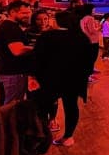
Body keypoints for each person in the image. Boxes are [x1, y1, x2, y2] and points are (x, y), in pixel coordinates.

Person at [33, 11, 92, 147]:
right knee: (71, 107)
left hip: (50, 80)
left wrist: (34, 77)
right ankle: (68, 137)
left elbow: (37, 60)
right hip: (73, 80)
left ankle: (42, 141)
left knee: (42, 108)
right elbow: (88, 62)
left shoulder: (47, 36)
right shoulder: (82, 37)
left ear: (57, 21)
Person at [0, 0, 35, 104]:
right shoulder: (10, 28)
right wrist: (37, 48)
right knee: (12, 105)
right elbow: (17, 50)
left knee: (11, 103)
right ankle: (7, 120)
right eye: (24, 13)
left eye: (29, 12)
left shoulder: (11, 26)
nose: (28, 15)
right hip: (13, 73)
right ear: (12, 12)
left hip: (11, 72)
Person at [78, 4, 101, 76]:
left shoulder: (83, 18)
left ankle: (91, 70)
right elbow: (92, 30)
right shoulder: (90, 18)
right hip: (93, 40)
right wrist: (99, 28)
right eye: (93, 9)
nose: (94, 11)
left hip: (87, 40)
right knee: (92, 57)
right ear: (89, 10)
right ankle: (89, 73)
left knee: (89, 57)